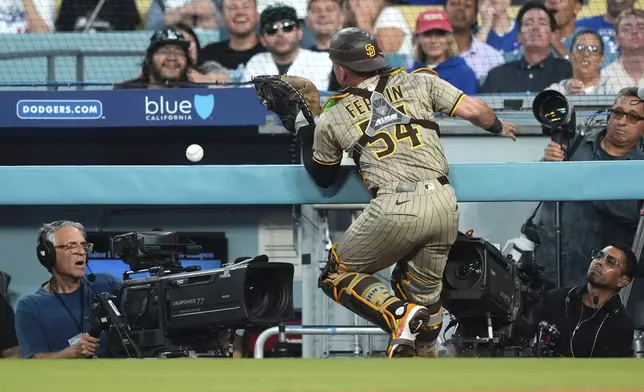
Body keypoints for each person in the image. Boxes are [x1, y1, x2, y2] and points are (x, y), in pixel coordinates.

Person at [293, 27, 517, 358]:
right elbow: (475, 111)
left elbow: (322, 176)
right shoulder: (419, 80)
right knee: (424, 302)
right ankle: (420, 349)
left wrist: (302, 124)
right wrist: (498, 126)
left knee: (336, 273)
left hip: (396, 204)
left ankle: (399, 314)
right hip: (444, 204)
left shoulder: (334, 114)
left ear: (341, 69)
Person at [533, 86, 644, 287]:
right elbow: (538, 188)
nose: (622, 121)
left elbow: (628, 211)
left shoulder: (640, 166)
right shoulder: (574, 143)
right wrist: (547, 164)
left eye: (633, 117)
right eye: (618, 113)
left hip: (600, 277)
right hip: (547, 265)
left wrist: (580, 179)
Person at [15, 221, 120, 359]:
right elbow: (34, 360)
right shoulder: (30, 306)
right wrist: (71, 353)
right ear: (49, 254)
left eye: (84, 246)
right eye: (71, 247)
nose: (81, 252)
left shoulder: (107, 284)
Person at [529, 244, 637, 357]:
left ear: (622, 281)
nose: (599, 262)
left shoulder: (622, 327)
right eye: (598, 255)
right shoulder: (555, 298)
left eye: (610, 262)